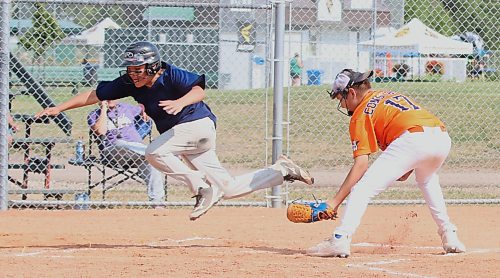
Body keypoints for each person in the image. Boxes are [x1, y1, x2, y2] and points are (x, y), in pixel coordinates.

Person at [37, 41, 314, 220]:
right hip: (187, 139)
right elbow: (94, 95)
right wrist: (58, 108)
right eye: (130, 68)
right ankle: (281, 172)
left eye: (138, 68)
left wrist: (179, 102)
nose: (133, 73)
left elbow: (198, 89)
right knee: (227, 189)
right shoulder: (129, 83)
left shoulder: (170, 74)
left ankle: (201, 187)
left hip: (197, 125)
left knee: (153, 151)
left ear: (153, 65)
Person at [306, 69, 466, 257]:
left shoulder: (361, 113)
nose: (342, 104)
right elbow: (405, 164)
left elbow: (361, 165)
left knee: (361, 189)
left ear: (352, 93)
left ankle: (340, 239)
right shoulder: (385, 95)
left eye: (341, 99)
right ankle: (449, 234)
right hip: (440, 137)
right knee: (428, 180)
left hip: (412, 140)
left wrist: (334, 202)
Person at [87, 99, 165, 202]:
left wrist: (145, 111)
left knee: (152, 164)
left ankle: (157, 202)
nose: (110, 99)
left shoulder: (127, 108)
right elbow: (100, 131)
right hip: (114, 151)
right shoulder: (94, 115)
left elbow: (144, 106)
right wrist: (104, 109)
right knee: (121, 143)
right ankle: (159, 153)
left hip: (137, 153)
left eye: (112, 96)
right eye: (105, 97)